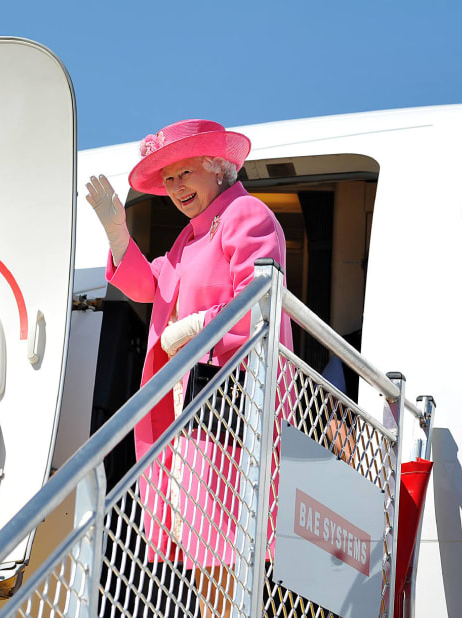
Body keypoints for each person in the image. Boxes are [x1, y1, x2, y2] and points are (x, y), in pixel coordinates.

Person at [86, 119, 293, 616]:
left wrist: (191, 327)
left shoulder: (246, 213)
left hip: (231, 402)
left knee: (221, 541)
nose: (177, 186)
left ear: (217, 168)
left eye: (185, 172)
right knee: (203, 543)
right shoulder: (188, 238)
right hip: (195, 407)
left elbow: (257, 302)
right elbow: (150, 286)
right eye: (169, 178)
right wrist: (118, 232)